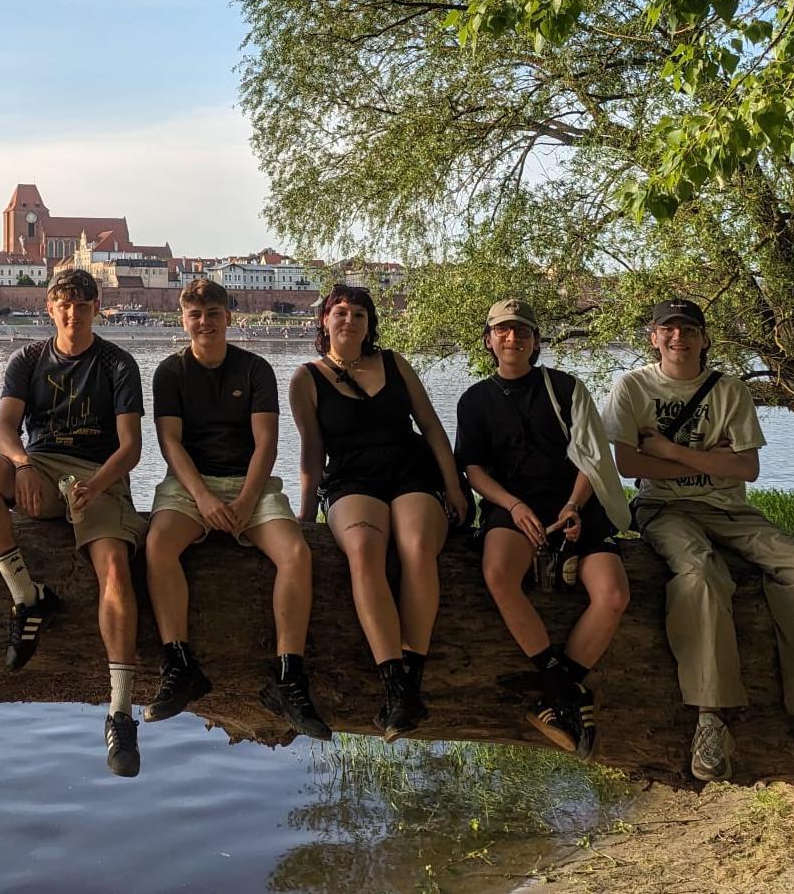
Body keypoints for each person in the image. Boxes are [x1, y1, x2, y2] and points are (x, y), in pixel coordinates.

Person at [605, 297, 794, 782]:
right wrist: (712, 461)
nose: (679, 337)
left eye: (689, 329)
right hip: (665, 509)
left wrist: (668, 449)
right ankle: (712, 719)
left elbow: (747, 469)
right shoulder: (632, 386)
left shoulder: (729, 390)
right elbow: (628, 464)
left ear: (703, 338)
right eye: (668, 329)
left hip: (732, 510)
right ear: (653, 338)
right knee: (700, 573)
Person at [0, 268, 149, 777]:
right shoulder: (27, 359)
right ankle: (26, 595)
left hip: (99, 474)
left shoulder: (118, 363)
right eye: (64, 304)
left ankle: (121, 710)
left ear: (96, 308)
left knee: (114, 570)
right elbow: (4, 428)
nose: (73, 313)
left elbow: (131, 447)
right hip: (40, 469)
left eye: (82, 305)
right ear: (49, 308)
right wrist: (21, 464)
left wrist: (96, 487)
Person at [142, 278, 329, 740]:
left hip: (250, 483)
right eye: (195, 315)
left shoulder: (255, 369)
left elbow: (266, 443)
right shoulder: (170, 372)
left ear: (228, 318)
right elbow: (170, 444)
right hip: (191, 483)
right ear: (183, 320)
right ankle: (179, 663)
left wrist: (246, 500)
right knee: (158, 546)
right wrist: (204, 498)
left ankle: (288, 676)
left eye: (213, 314)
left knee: (296, 553)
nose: (204, 323)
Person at [455, 299, 632, 759]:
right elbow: (473, 470)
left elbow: (592, 459)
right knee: (498, 574)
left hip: (575, 504)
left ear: (536, 341)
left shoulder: (567, 389)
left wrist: (574, 506)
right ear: (489, 340)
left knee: (613, 595)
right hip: (512, 507)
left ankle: (554, 694)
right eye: (503, 331)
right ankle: (566, 690)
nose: (512, 338)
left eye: (522, 332)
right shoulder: (474, 400)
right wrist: (513, 506)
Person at [287, 284, 464, 740]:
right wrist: (306, 515)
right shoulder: (306, 379)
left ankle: (411, 682)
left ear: (370, 325)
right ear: (325, 321)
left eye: (360, 314)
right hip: (351, 479)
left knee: (417, 546)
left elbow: (431, 426)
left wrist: (452, 487)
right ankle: (395, 685)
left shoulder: (394, 363)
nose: (350, 320)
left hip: (411, 470)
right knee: (364, 550)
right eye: (341, 312)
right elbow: (312, 452)